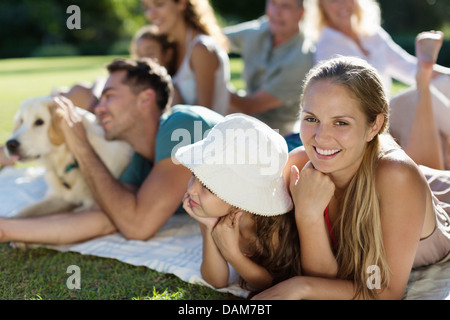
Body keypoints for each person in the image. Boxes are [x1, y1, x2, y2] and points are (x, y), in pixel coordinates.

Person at [252, 57, 450, 300]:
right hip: (400, 176)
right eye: (311, 119)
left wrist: (301, 286)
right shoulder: (299, 166)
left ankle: (423, 82)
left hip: (431, 193)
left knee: (423, 166)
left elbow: (384, 293)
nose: (321, 138)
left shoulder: (397, 177)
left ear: (374, 125)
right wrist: (308, 215)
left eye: (341, 122)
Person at [0, 57, 223, 245]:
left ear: (145, 99)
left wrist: (80, 143)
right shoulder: (139, 161)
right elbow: (105, 218)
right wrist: (6, 229)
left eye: (109, 97)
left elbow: (138, 226)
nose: (97, 109)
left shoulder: (182, 125)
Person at [302, 0, 450, 169]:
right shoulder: (326, 44)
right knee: (416, 96)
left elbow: (410, 69)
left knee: (445, 83)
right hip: (370, 118)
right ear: (322, 7)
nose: (343, 4)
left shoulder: (373, 34)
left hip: (392, 112)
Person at [175, 113, 301, 293]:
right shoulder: (212, 213)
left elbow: (275, 285)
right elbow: (216, 280)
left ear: (241, 199)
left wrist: (232, 254)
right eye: (193, 176)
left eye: (207, 188)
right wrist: (209, 227)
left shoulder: (273, 228)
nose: (191, 191)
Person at [224, 0, 314, 139]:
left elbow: (252, 106)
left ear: (300, 13)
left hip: (275, 135)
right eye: (273, 4)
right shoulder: (261, 29)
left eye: (285, 6)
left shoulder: (302, 58)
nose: (276, 13)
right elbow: (215, 38)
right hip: (242, 118)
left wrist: (211, 82)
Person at [143, 0, 231, 116]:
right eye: (147, 7)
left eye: (159, 4)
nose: (150, 14)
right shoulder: (172, 48)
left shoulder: (201, 48)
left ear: (182, 3)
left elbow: (204, 120)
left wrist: (174, 92)